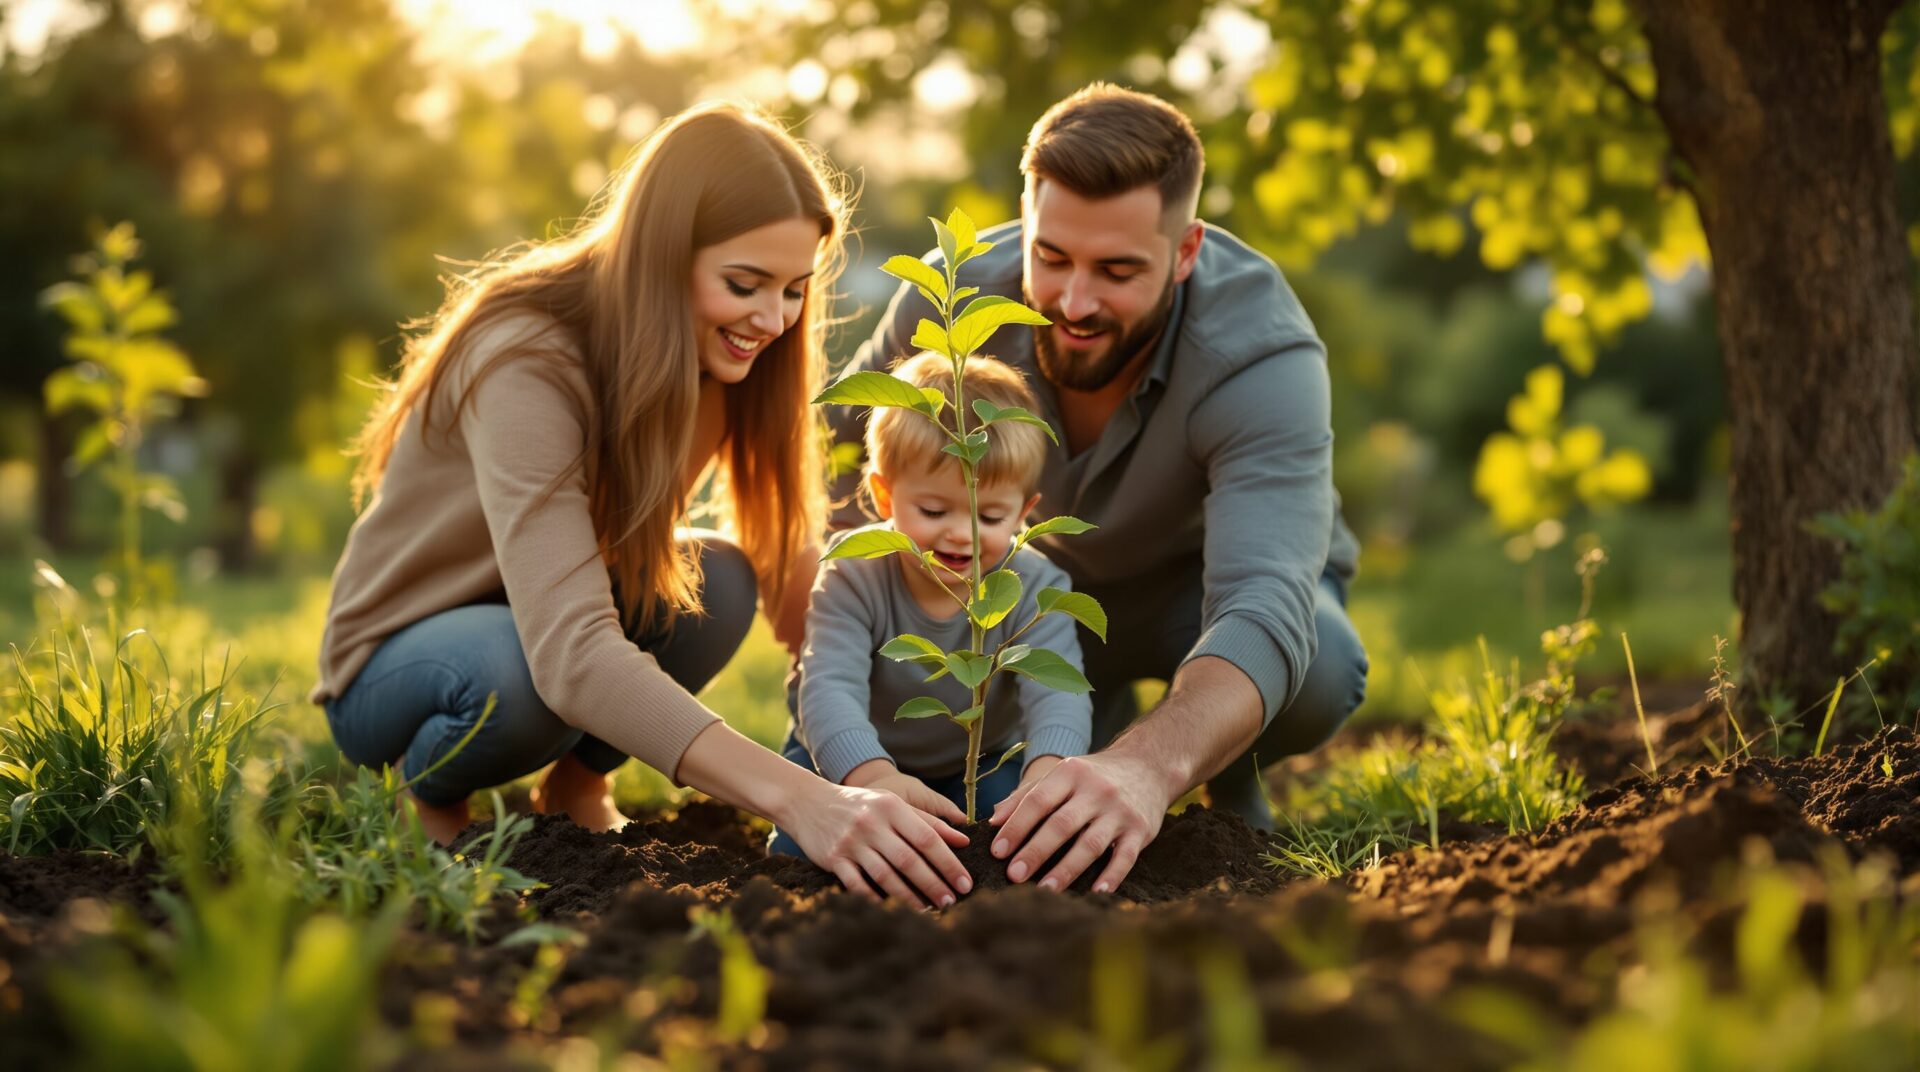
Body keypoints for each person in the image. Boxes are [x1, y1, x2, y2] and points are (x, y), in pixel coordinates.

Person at [311, 103, 972, 908]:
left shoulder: (731, 360)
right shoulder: (526, 354)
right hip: (403, 663)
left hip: (549, 632)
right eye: (744, 284)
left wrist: (887, 755)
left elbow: (792, 578)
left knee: (718, 581)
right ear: (663, 256)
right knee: (522, 677)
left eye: (795, 289)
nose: (772, 320)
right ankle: (429, 800)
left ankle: (575, 789)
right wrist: (800, 798)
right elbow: (572, 653)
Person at [818, 83, 1369, 894]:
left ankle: (1211, 765)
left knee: (1316, 664)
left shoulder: (1262, 354)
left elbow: (1264, 600)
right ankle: (1082, 746)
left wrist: (1150, 768)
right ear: (1026, 218)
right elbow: (836, 443)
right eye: (1052, 257)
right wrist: (840, 591)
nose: (1073, 303)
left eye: (1117, 270)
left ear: (1185, 252)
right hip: (1019, 593)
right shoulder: (951, 298)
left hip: (1196, 592)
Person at [769, 353, 1093, 858]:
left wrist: (1048, 772)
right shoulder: (857, 573)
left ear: (1025, 513)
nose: (959, 533)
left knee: (1012, 838)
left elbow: (1059, 694)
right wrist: (871, 776)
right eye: (933, 510)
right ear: (883, 494)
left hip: (978, 760)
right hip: (848, 755)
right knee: (801, 849)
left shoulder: (1032, 583)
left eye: (989, 516)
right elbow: (829, 687)